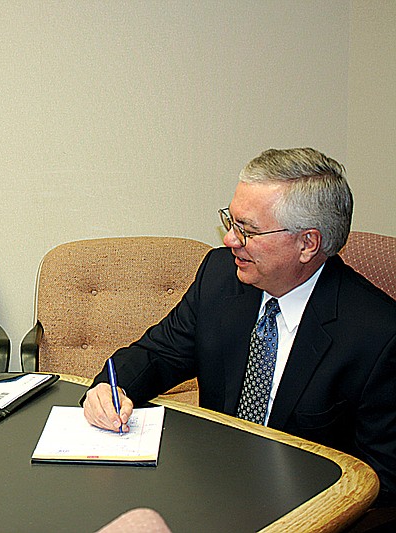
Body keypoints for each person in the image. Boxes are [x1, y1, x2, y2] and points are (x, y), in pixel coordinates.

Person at [84, 147, 396, 506]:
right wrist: (111, 387)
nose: (230, 240)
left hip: (303, 511)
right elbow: (158, 354)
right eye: (230, 221)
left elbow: (381, 485)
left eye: (247, 230)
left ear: (308, 243)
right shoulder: (220, 276)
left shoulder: (379, 337)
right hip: (211, 489)